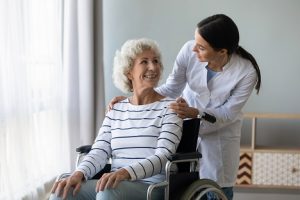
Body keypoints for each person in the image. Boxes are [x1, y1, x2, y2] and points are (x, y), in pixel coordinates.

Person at [109, 14, 261, 200]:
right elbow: (171, 88)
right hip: (185, 131)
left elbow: (228, 113)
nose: (194, 48)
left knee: (216, 190)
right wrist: (133, 98)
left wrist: (197, 113)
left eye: (201, 47)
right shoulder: (189, 50)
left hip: (219, 140)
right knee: (183, 187)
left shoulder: (246, 72)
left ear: (222, 52)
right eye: (195, 42)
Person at [49, 38, 183, 200]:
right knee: (63, 191)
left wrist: (125, 173)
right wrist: (79, 173)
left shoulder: (171, 108)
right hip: (116, 183)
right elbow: (99, 150)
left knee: (107, 192)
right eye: (144, 62)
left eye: (156, 61)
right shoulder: (116, 109)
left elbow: (164, 156)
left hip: (152, 186)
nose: (153, 67)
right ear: (128, 72)